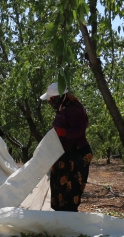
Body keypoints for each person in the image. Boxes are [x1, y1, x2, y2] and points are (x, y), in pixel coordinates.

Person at [40, 82, 93, 212]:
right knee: (58, 184)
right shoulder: (63, 107)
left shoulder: (74, 108)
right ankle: (60, 216)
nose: (50, 101)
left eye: (51, 98)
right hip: (65, 152)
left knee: (71, 187)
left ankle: (68, 218)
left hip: (77, 153)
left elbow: (79, 131)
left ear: (59, 96)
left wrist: (62, 132)